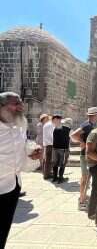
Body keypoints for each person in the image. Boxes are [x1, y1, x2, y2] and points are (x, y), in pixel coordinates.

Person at [0, 92, 42, 248]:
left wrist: (32, 157)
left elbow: (21, 161)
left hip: (13, 186)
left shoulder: (19, 128)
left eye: (20, 103)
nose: (20, 107)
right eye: (15, 103)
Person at [70, 107, 97, 211]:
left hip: (89, 155)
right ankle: (82, 202)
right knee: (85, 178)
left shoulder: (92, 125)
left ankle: (83, 196)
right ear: (94, 115)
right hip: (85, 156)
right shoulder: (86, 125)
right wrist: (82, 142)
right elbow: (73, 135)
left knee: (87, 178)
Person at [52, 118, 72, 184]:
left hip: (55, 148)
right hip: (63, 149)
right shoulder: (69, 130)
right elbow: (73, 139)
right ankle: (60, 178)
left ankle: (54, 178)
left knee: (55, 163)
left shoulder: (56, 128)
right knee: (62, 163)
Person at [42, 114, 62, 179]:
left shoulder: (46, 124)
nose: (58, 122)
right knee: (50, 160)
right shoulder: (51, 125)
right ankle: (47, 175)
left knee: (47, 160)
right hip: (51, 144)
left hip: (47, 144)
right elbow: (53, 135)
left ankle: (46, 173)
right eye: (58, 120)